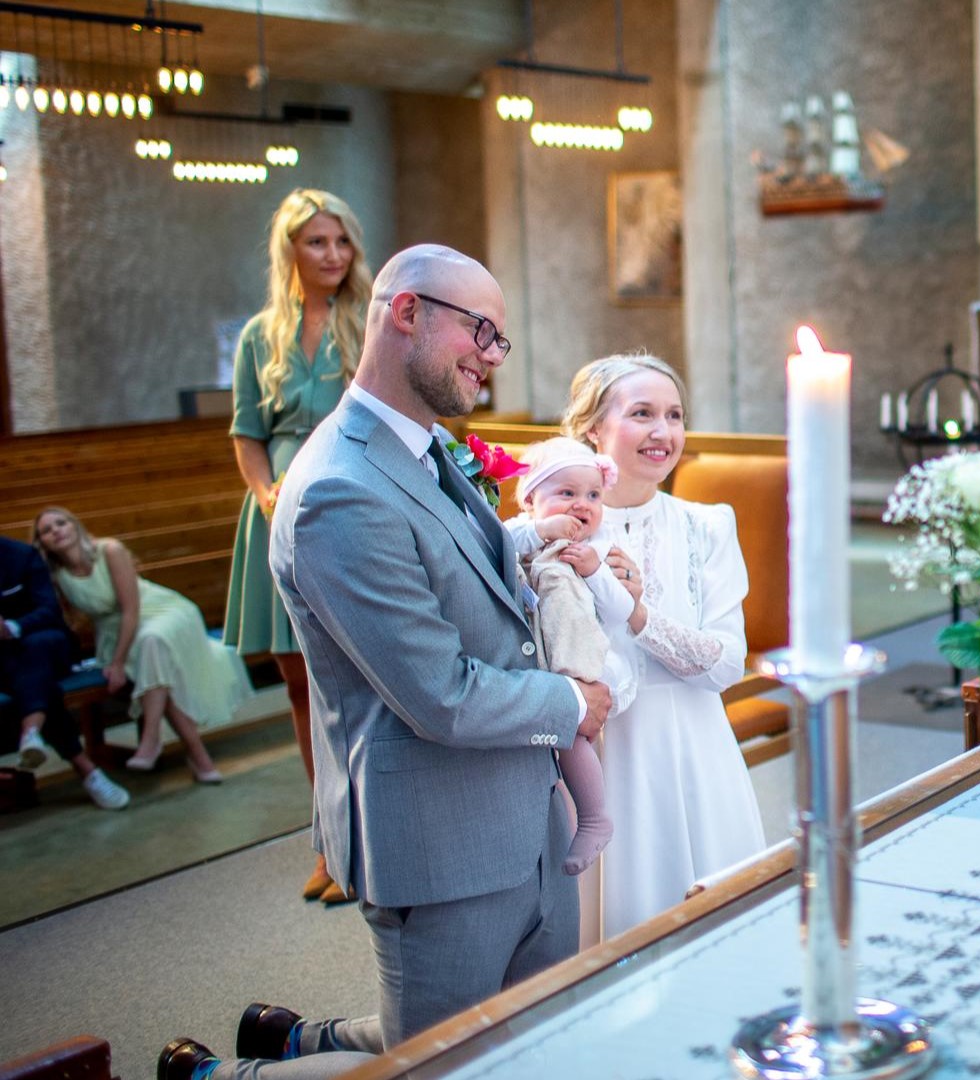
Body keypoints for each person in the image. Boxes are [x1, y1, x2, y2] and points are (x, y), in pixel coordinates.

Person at [155, 244, 614, 1080]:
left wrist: (541, 542)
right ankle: (224, 1077)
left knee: (529, 1039)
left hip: (527, 812)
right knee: (438, 1065)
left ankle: (302, 1039)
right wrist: (570, 702)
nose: (491, 357)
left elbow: (460, 560)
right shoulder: (339, 489)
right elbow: (437, 694)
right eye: (481, 331)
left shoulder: (427, 446)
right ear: (406, 312)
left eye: (500, 339)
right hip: (439, 840)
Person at [562, 353, 765, 940]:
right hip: (601, 756)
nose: (663, 432)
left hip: (693, 748)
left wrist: (640, 613)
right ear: (593, 429)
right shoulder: (561, 534)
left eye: (674, 415)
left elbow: (726, 663)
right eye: (642, 413)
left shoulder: (708, 526)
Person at [226, 189, 373, 902]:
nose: (333, 256)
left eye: (341, 242)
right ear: (290, 250)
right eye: (317, 243)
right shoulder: (262, 334)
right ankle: (328, 838)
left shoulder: (371, 320)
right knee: (297, 680)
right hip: (279, 509)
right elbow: (247, 434)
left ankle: (369, 832)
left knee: (349, 677)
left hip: (347, 506)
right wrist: (263, 493)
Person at [501, 437, 641, 875]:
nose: (582, 505)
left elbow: (622, 611)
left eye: (593, 495)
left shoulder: (599, 549)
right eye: (566, 494)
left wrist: (594, 572)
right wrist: (542, 531)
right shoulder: (521, 535)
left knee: (572, 736)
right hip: (529, 663)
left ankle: (595, 819)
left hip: (576, 665)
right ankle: (549, 831)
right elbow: (496, 541)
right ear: (530, 500)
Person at [34, 508, 247, 783]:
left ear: (75, 526)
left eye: (61, 523)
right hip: (114, 634)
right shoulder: (56, 575)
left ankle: (151, 737)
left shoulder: (109, 550)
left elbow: (131, 610)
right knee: (158, 673)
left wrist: (119, 662)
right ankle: (198, 758)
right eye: (47, 530)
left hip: (161, 613)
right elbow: (67, 619)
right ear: (42, 542)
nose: (56, 531)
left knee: (153, 643)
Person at [1, 534, 129, 810]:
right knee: (41, 685)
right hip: (8, 661)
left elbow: (49, 610)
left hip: (40, 640)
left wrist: (11, 627)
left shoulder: (21, 555)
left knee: (37, 651)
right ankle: (84, 768)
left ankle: (37, 735)